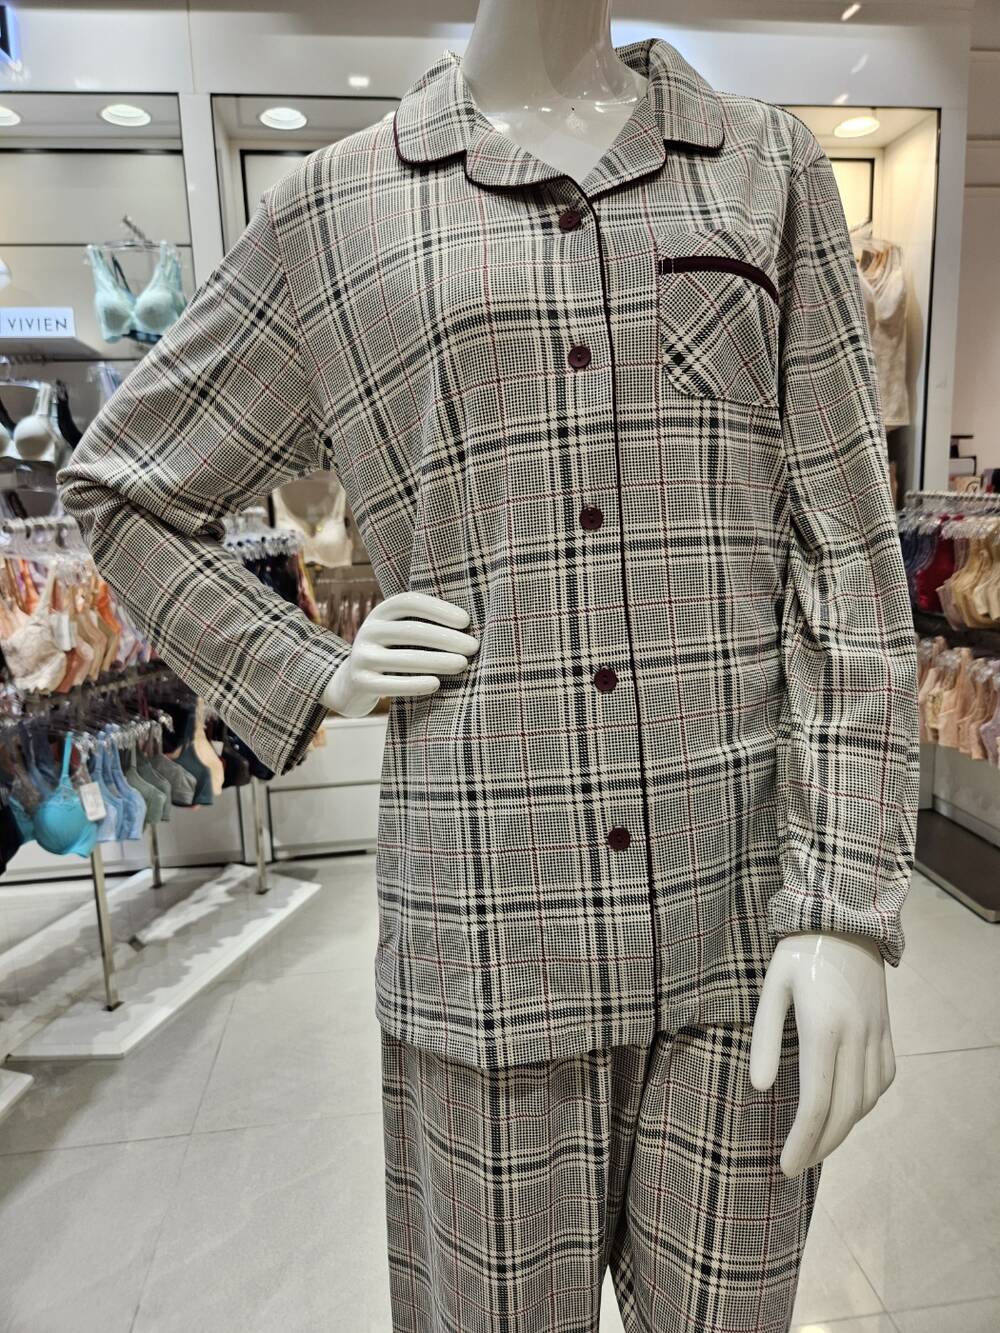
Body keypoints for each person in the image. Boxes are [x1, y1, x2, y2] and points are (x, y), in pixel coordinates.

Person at [58, 4, 920, 1328]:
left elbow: (849, 561)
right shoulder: (336, 211)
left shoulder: (767, 168)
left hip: (742, 928)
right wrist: (310, 667)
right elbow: (124, 488)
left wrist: (845, 903)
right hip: (485, 948)